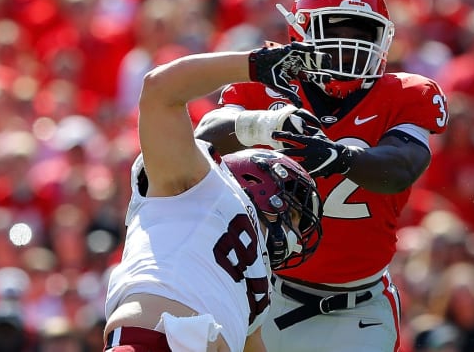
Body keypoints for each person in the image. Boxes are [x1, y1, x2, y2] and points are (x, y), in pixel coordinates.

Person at [195, 0, 449, 352]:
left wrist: (341, 157)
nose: (353, 44)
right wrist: (266, 124)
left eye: (365, 33)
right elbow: (207, 134)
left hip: (356, 309)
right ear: (303, 30)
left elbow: (402, 165)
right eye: (339, 29)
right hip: (265, 292)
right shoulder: (270, 78)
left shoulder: (404, 95)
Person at [102, 41, 329, 351]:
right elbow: (159, 90)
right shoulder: (203, 186)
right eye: (291, 213)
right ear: (260, 184)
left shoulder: (256, 292)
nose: (296, 235)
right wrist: (254, 66)